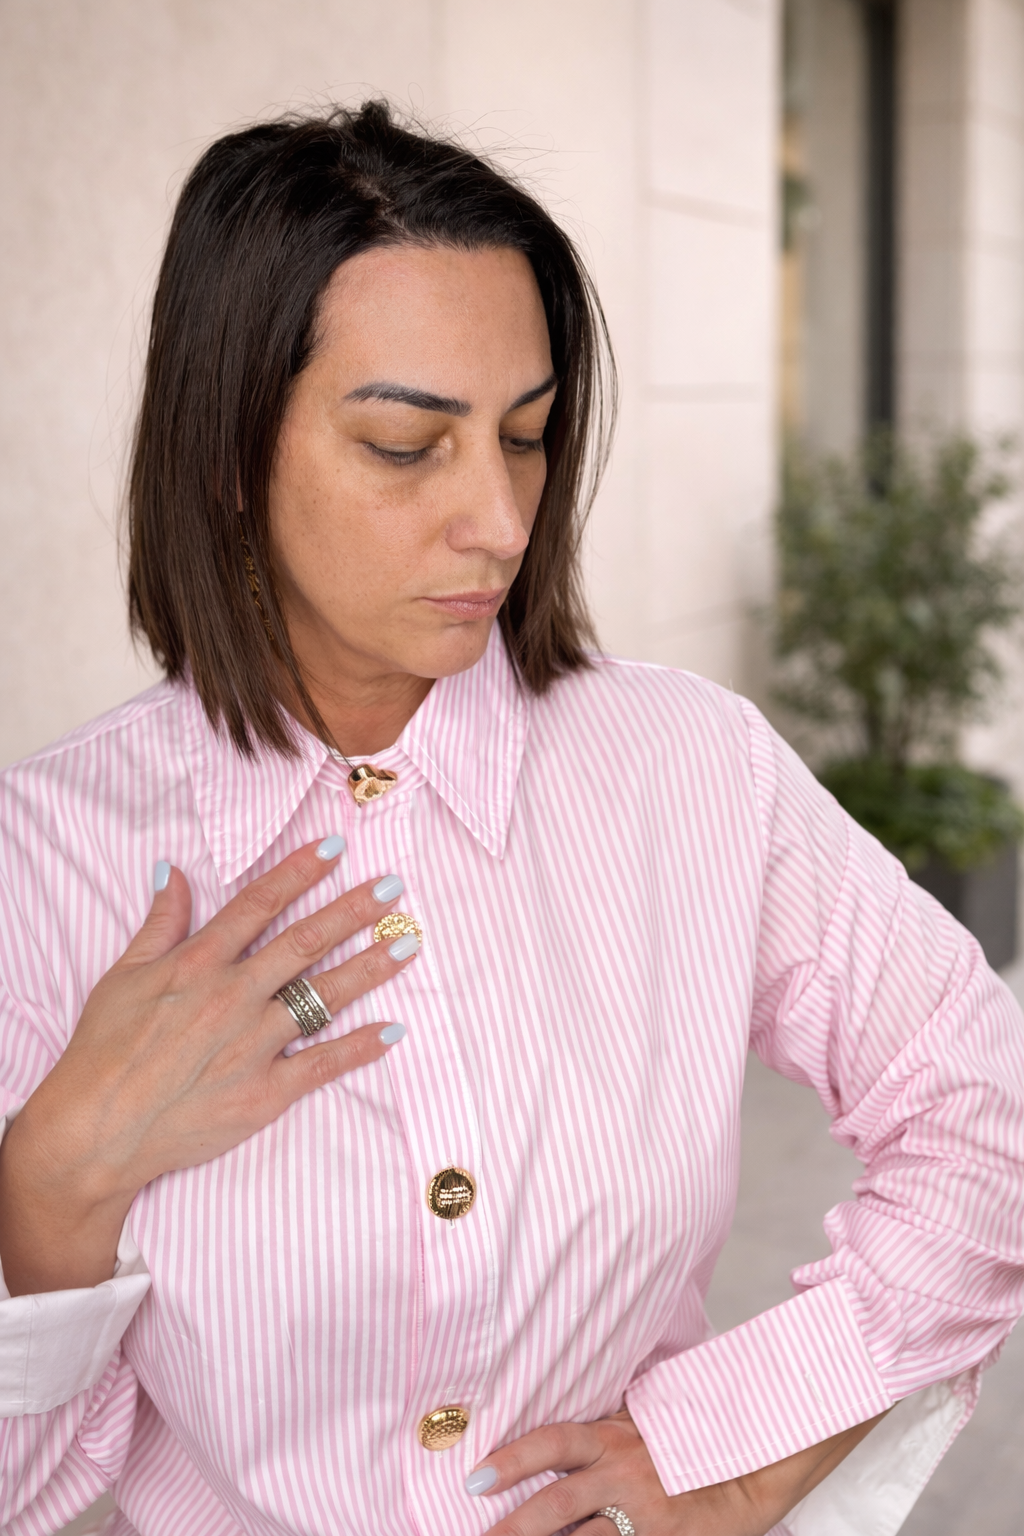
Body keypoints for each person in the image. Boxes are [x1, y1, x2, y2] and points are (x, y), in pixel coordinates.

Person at [0, 102, 1021, 1536]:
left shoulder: (688, 768)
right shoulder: (42, 862)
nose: (499, 518)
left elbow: (985, 1111)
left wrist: (740, 1451)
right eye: (405, 445)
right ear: (227, 451)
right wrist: (54, 1191)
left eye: (528, 436)